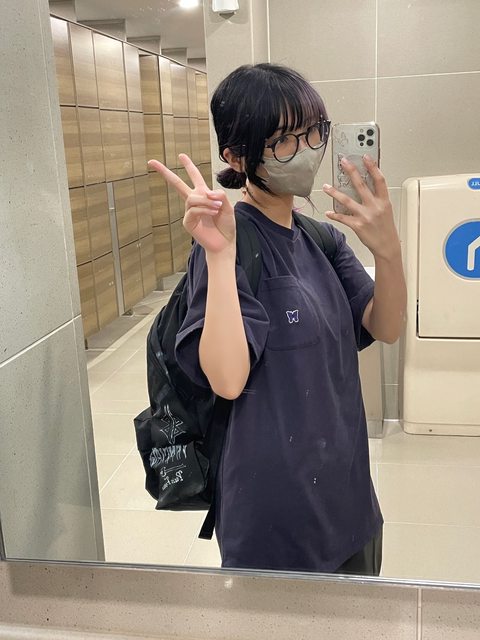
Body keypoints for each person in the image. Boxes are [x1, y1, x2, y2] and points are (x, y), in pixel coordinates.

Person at [148, 63, 406, 576]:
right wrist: (219, 256)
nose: (305, 150)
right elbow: (227, 379)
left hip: (349, 499)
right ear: (236, 155)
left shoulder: (322, 239)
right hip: (275, 519)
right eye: (283, 140)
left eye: (313, 132)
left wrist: (390, 251)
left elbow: (386, 327)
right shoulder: (231, 244)